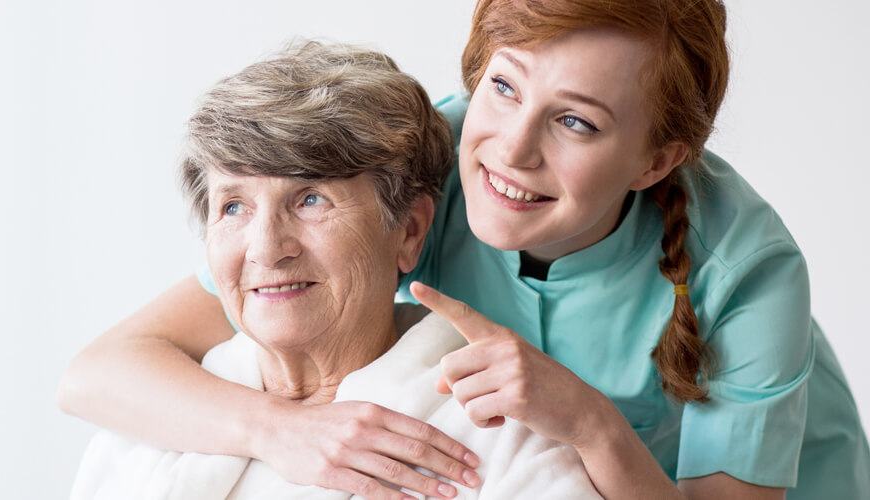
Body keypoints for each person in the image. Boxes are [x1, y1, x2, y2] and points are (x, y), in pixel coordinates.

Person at [56, 1, 870, 499]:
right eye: (503, 88)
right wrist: (278, 431)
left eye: (576, 121)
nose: (510, 151)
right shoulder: (412, 168)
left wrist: (592, 424)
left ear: (656, 160)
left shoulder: (747, 274)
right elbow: (100, 372)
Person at [69, 40, 602, 500]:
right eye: (233, 207)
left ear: (410, 230)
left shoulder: (508, 447)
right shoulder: (144, 430)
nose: (266, 250)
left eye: (310, 199)